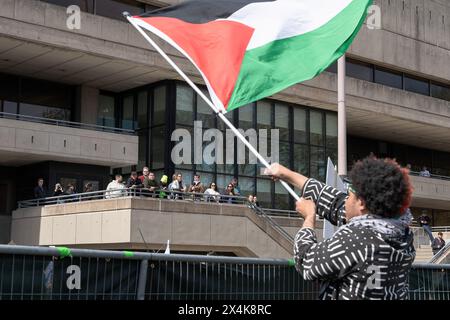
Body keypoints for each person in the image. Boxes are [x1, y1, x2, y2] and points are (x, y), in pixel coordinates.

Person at [265, 157, 414, 300]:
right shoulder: (402, 233)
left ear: (361, 203)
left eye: (349, 195)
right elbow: (335, 204)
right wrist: (285, 174)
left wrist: (309, 218)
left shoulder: (357, 240)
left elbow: (307, 261)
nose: (345, 199)